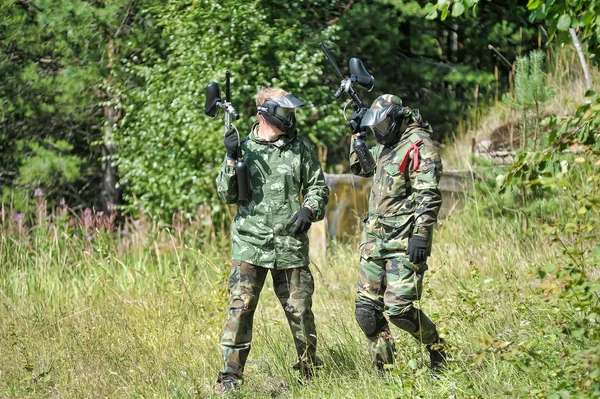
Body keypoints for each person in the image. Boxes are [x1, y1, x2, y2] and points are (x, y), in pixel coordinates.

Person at [214, 87, 330, 394]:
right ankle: (229, 378)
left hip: (290, 245)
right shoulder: (243, 148)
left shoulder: (299, 147)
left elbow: (319, 187)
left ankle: (309, 372)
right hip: (250, 245)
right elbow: (226, 195)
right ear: (266, 114)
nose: (291, 119)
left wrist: (309, 208)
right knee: (240, 310)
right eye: (286, 113)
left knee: (301, 312)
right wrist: (229, 157)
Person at [349, 94, 448, 373]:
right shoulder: (387, 145)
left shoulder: (419, 145)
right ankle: (387, 372)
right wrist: (357, 138)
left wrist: (421, 234)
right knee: (366, 312)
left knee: (399, 310)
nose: (379, 134)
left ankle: (438, 348)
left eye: (382, 127)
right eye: (375, 130)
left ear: (397, 118)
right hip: (374, 240)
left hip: (403, 240)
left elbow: (428, 195)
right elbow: (362, 168)